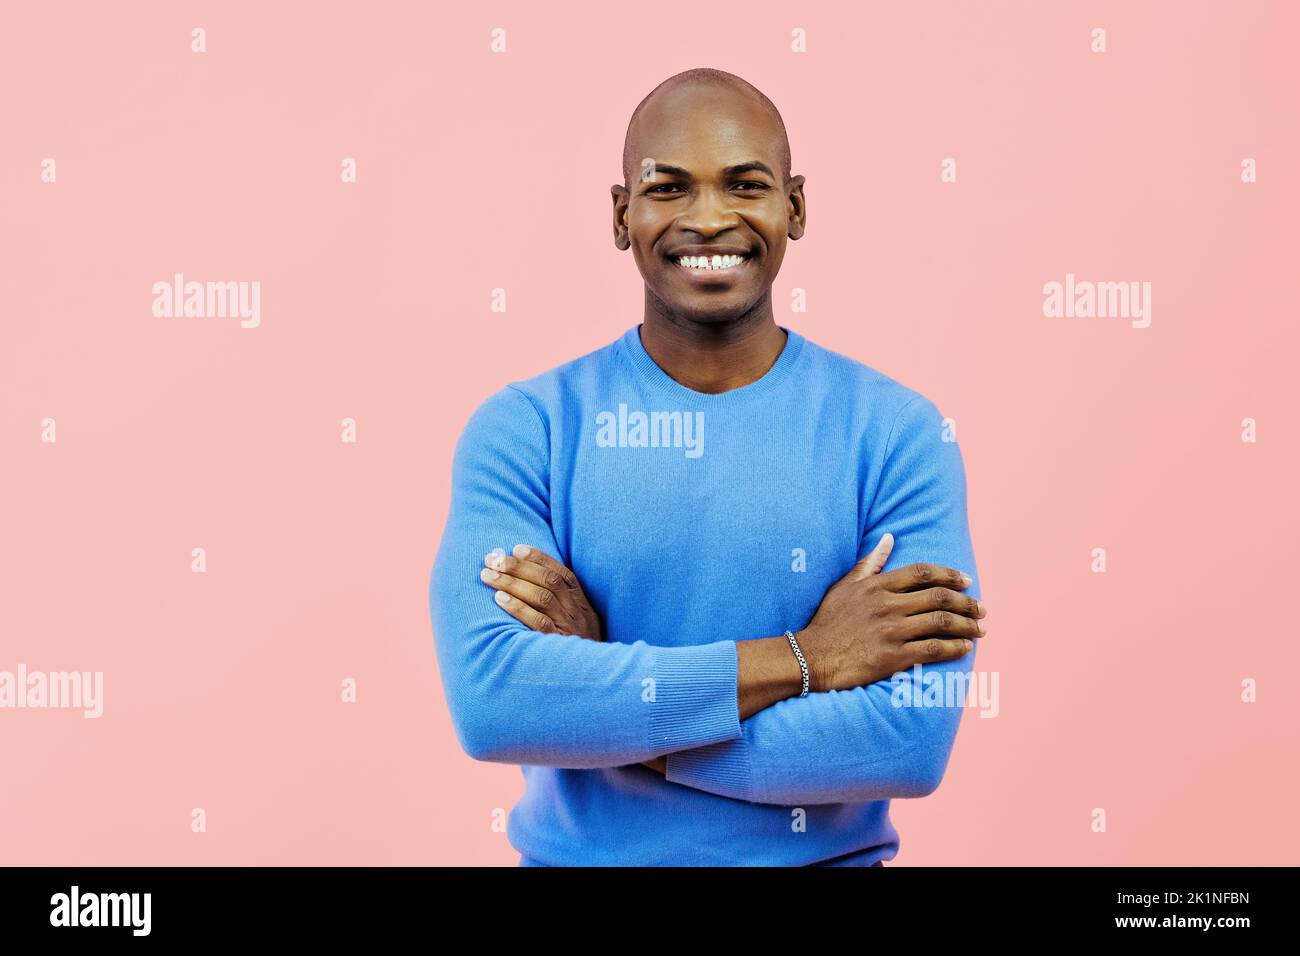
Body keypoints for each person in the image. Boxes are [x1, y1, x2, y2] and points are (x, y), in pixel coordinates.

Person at [428, 67, 987, 866]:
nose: (709, 218)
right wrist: (809, 659)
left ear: (794, 207)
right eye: (668, 189)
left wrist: (607, 704)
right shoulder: (527, 429)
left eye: (744, 184)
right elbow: (497, 704)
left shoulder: (897, 434)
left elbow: (905, 742)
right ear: (623, 216)